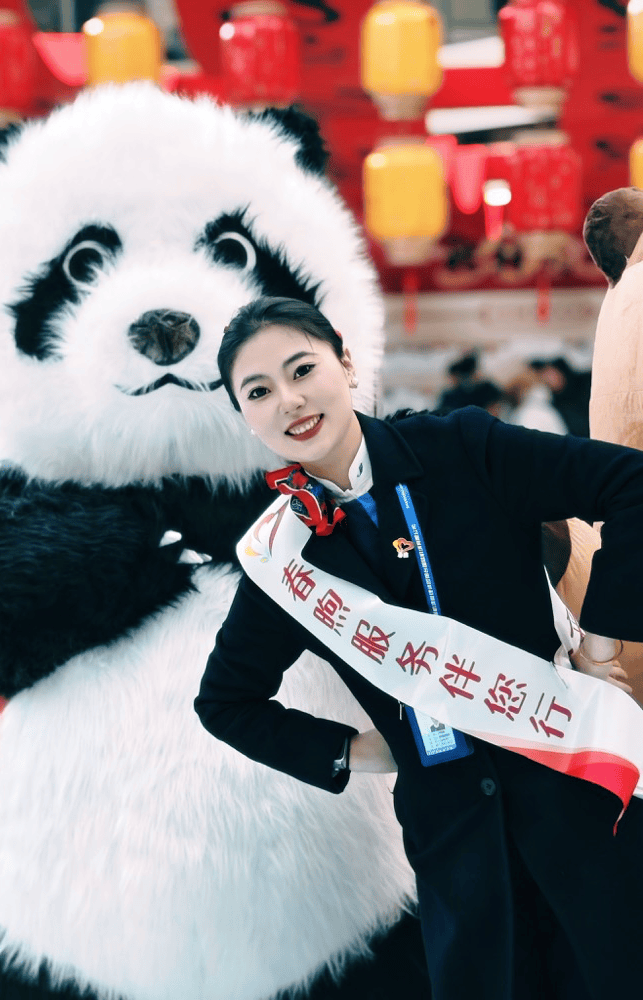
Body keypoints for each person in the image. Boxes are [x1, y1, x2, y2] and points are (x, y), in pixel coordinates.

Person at [194, 295, 643, 1000]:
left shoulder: (462, 447)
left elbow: (630, 483)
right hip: (458, 853)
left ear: (344, 362)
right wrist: (356, 751)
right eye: (258, 392)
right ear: (243, 415)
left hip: (581, 799)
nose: (289, 401)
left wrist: (600, 643)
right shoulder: (283, 559)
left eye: (302, 369)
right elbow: (224, 702)